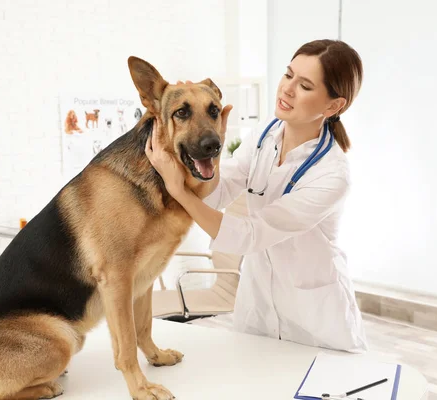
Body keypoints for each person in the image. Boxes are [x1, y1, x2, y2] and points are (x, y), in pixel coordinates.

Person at [145, 39, 368, 353]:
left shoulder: (331, 174)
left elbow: (247, 236)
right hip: (258, 309)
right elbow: (219, 192)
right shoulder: (266, 134)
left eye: (304, 85)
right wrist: (199, 154)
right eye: (288, 75)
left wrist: (178, 190)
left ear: (333, 106)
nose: (287, 89)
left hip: (315, 321)